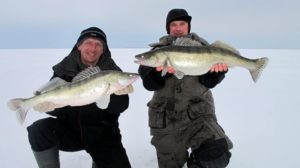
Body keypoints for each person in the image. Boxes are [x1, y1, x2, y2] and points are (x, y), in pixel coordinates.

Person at [138, 9, 233, 168]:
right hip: (165, 121)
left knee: (216, 156)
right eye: (173, 24)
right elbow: (149, 84)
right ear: (168, 28)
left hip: (198, 117)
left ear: (188, 26)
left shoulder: (203, 49)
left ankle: (196, 162)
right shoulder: (157, 52)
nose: (178, 28)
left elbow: (208, 83)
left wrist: (215, 75)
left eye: (182, 24)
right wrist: (160, 74)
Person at [27, 27, 132, 168]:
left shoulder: (112, 72)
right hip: (71, 131)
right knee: (39, 129)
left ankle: (100, 161)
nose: (93, 48)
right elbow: (56, 105)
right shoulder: (63, 69)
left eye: (98, 44)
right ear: (79, 45)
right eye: (89, 42)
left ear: (103, 49)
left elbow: (120, 107)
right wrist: (48, 106)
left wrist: (120, 95)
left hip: (103, 135)